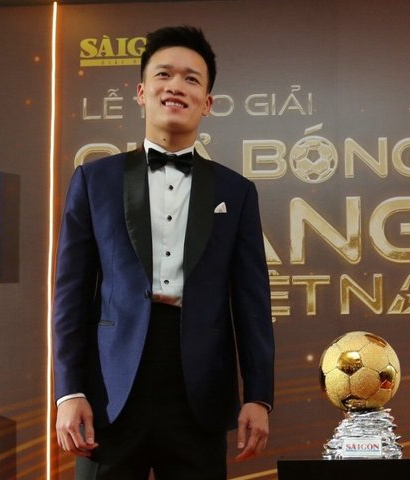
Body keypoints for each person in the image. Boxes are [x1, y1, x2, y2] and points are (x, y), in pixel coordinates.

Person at [52, 25, 275, 479]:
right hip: (110, 389)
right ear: (141, 92)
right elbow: (70, 294)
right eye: (164, 75)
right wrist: (69, 391)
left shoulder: (236, 192)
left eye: (191, 79)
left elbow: (252, 302)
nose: (176, 86)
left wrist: (258, 395)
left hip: (199, 389)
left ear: (207, 102)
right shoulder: (94, 181)